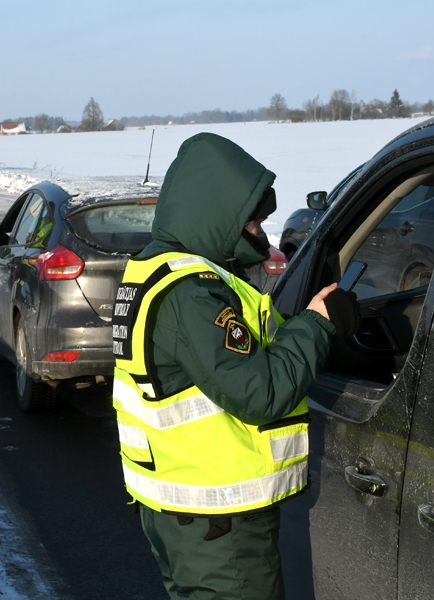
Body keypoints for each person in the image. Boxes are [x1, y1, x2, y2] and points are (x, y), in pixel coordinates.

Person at [111, 132, 361, 599]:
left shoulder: (153, 271)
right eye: (253, 221)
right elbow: (259, 392)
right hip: (216, 523)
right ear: (216, 213)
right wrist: (317, 323)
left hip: (182, 510)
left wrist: (299, 325)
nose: (261, 234)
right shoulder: (193, 291)